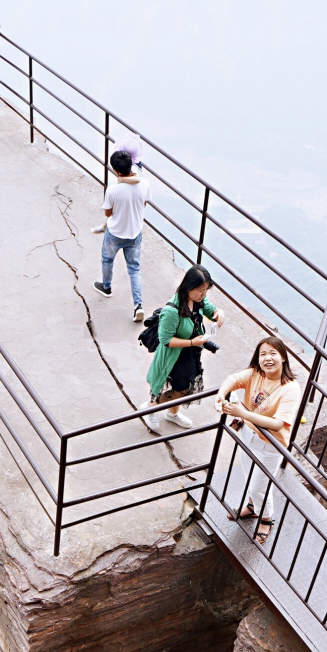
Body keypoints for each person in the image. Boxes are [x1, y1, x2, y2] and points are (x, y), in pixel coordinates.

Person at [215, 336, 302, 543]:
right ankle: (254, 507)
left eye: (273, 353)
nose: (267, 358)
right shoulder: (256, 374)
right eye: (263, 354)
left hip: (270, 444)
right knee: (248, 476)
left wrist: (241, 413)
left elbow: (278, 424)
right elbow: (234, 379)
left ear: (283, 357)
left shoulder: (290, 388)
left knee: (259, 486)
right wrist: (221, 394)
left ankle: (266, 519)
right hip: (249, 434)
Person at [144, 265, 222, 432]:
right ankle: (152, 407)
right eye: (200, 290)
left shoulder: (197, 300)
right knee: (182, 388)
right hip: (173, 354)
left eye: (206, 290)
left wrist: (218, 312)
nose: (203, 294)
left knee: (186, 385)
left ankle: (172, 414)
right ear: (188, 287)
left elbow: (209, 308)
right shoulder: (172, 311)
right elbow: (165, 340)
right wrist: (192, 342)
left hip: (190, 352)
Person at [93, 148, 149, 321]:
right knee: (134, 269)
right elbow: (144, 203)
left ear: (116, 170)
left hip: (115, 233)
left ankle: (107, 287)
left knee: (107, 259)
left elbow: (108, 214)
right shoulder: (145, 184)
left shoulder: (112, 190)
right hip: (134, 233)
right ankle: (138, 305)